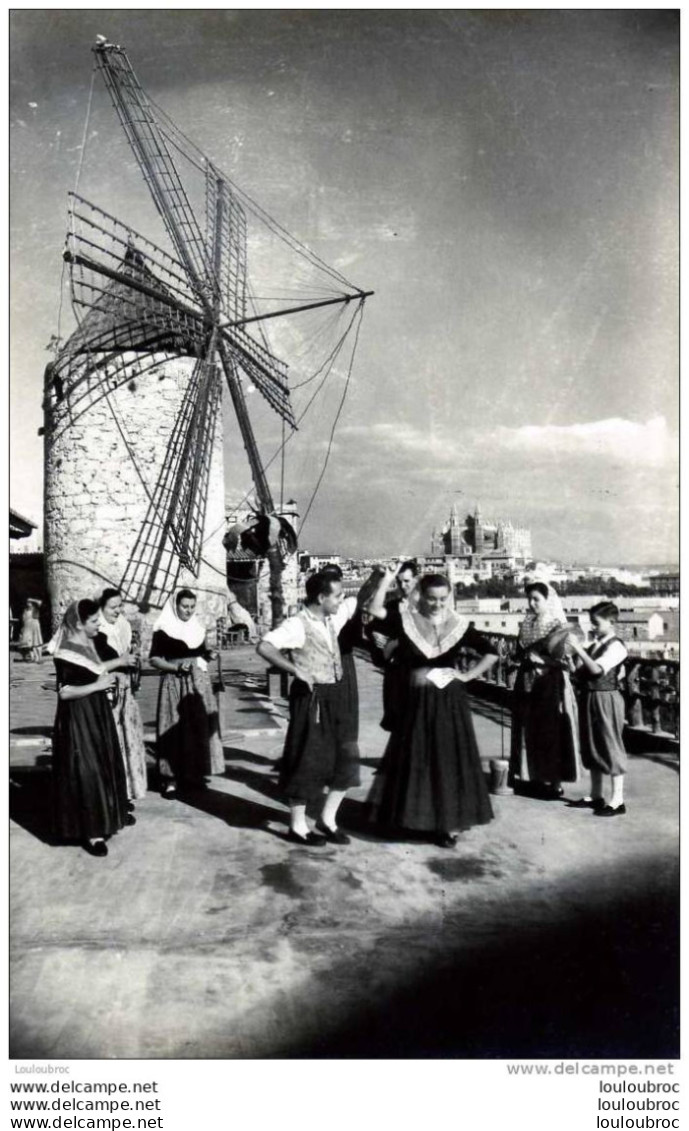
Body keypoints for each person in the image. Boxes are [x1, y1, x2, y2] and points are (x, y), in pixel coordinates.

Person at [366, 571, 498, 847]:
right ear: (421, 596)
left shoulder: (458, 624)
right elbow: (374, 610)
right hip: (415, 699)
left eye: (442, 598)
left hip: (448, 701)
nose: (437, 604)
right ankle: (413, 818)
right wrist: (385, 582)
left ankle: (447, 826)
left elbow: (492, 652)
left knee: (446, 759)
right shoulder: (407, 621)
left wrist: (466, 675)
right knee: (415, 756)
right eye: (431, 598)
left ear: (448, 597)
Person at [256, 570, 383, 845]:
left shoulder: (332, 616)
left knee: (347, 757)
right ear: (321, 597)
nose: (341, 600)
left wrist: (376, 577)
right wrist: (295, 670)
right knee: (307, 759)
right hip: (311, 700)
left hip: (337, 696)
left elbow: (358, 600)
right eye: (337, 595)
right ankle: (298, 827)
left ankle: (328, 819)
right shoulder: (296, 624)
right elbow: (265, 647)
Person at [51, 599, 131, 856]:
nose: (99, 624)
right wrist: (98, 686)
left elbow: (92, 668)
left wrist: (119, 663)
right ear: (79, 623)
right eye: (94, 621)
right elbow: (65, 692)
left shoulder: (86, 644)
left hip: (96, 712)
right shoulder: (65, 651)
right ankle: (92, 832)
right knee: (88, 770)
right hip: (79, 717)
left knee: (104, 762)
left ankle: (110, 816)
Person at [509, 579, 581, 799]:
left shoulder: (557, 625)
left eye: (536, 599)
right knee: (529, 729)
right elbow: (519, 651)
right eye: (529, 599)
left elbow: (568, 662)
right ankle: (535, 777)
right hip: (527, 680)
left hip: (550, 683)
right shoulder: (527, 623)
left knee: (552, 730)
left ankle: (556, 781)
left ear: (547, 600)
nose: (532, 604)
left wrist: (542, 661)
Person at [149, 589, 224, 797]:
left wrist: (209, 655)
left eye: (192, 607)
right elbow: (154, 659)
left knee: (197, 727)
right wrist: (175, 668)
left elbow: (200, 655)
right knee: (173, 726)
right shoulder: (163, 629)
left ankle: (193, 775)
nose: (188, 611)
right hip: (174, 682)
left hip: (198, 683)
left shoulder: (197, 628)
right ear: (175, 606)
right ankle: (170, 780)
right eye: (184, 607)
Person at [567, 601, 629, 817]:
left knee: (610, 745)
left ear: (611, 622)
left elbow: (596, 670)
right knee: (591, 744)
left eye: (596, 623)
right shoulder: (595, 644)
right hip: (590, 697)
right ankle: (596, 795)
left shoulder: (616, 646)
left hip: (606, 698)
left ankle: (617, 800)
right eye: (591, 623)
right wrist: (571, 659)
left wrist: (577, 648)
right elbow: (581, 673)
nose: (592, 627)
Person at [94, 588, 148, 807]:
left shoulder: (124, 626)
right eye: (113, 607)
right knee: (112, 743)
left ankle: (125, 793)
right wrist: (121, 662)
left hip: (125, 691)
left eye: (120, 605)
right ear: (101, 607)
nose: (118, 610)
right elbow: (90, 666)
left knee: (128, 742)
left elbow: (128, 656)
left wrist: (134, 666)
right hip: (105, 692)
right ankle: (111, 797)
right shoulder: (94, 630)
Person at [369, 560, 418, 731]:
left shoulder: (425, 606)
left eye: (407, 581)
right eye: (399, 581)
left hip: (419, 673)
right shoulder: (393, 606)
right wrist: (387, 580)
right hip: (398, 672)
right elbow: (374, 615)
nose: (403, 586)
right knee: (399, 726)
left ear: (416, 580)